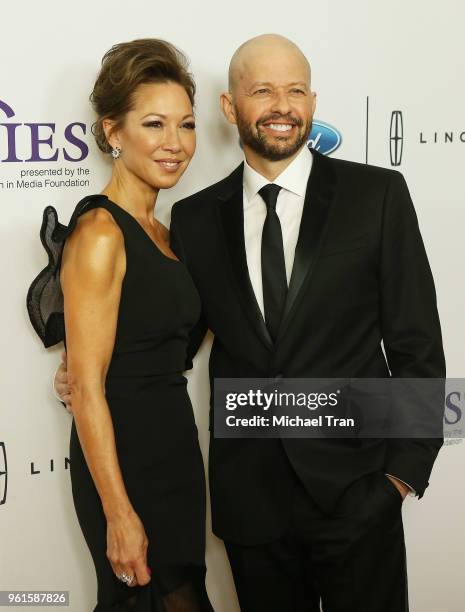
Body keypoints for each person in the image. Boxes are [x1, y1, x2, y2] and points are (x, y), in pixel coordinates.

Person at [55, 34, 446, 612]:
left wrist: (401, 477)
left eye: (295, 90)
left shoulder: (378, 195)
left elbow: (418, 344)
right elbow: (172, 334)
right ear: (231, 107)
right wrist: (86, 372)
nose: (281, 106)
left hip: (358, 494)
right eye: (262, 90)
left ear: (313, 101)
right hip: (252, 509)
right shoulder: (192, 219)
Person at [27, 39, 213, 612]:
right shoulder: (101, 232)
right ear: (113, 132)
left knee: (180, 594)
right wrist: (119, 513)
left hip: (174, 453)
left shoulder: (163, 231)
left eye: (185, 125)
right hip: (126, 463)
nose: (175, 144)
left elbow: (168, 340)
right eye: (153, 124)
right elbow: (87, 386)